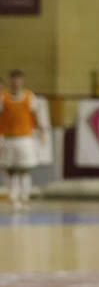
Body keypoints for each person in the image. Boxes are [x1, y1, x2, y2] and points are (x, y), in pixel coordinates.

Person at [1, 70, 43, 210]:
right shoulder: (3, 98)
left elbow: (36, 116)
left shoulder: (29, 97)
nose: (15, 82)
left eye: (18, 79)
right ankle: (13, 198)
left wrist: (41, 133)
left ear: (22, 81)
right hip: (8, 138)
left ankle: (25, 197)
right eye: (13, 79)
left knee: (25, 169)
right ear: (10, 81)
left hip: (25, 138)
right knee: (10, 169)